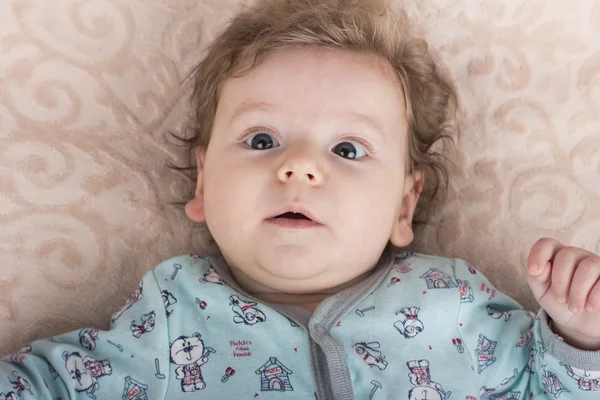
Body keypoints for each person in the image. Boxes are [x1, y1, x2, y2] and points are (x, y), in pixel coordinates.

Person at [1, 1, 599, 399]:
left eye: (348, 148)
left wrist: (579, 339)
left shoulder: (457, 303)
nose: (300, 167)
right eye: (262, 139)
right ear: (204, 184)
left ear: (402, 207)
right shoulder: (168, 313)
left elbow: (550, 388)